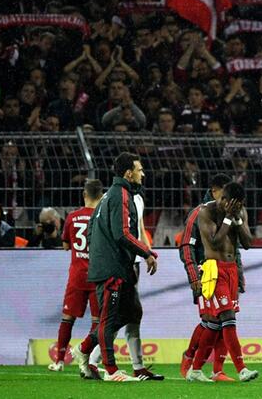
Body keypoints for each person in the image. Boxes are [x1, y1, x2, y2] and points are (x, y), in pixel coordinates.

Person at [84, 152, 158, 382]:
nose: (143, 173)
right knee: (108, 318)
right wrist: (146, 252)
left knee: (130, 312)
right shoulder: (121, 195)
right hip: (112, 270)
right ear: (128, 173)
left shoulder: (109, 196)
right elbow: (123, 234)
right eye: (140, 169)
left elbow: (90, 230)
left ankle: (85, 350)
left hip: (113, 266)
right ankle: (112, 370)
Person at [185, 182, 258, 382]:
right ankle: (242, 368)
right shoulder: (206, 212)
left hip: (232, 269)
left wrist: (237, 220)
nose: (236, 207)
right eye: (232, 204)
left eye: (239, 204)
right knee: (228, 316)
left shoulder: (239, 211)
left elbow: (248, 243)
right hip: (213, 269)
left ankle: (196, 369)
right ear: (224, 199)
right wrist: (228, 218)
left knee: (215, 323)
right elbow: (215, 242)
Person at [48, 180, 103, 373]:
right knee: (98, 321)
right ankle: (87, 360)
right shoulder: (101, 216)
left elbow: (65, 246)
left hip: (77, 276)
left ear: (84, 194)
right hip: (97, 276)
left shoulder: (72, 217)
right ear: (102, 196)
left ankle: (59, 361)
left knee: (67, 318)